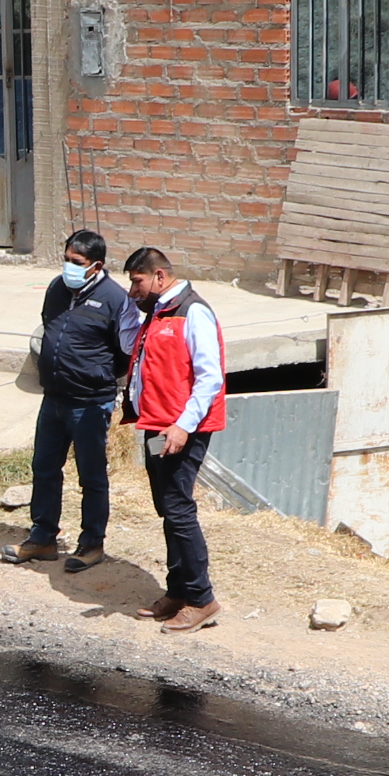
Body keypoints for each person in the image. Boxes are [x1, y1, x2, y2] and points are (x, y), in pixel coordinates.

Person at [123, 247, 228, 633]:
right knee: (167, 508)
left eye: (138, 281)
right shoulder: (156, 312)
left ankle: (202, 599)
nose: (133, 289)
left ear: (160, 277)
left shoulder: (192, 312)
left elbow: (209, 377)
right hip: (157, 426)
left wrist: (183, 426)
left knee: (179, 508)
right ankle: (178, 590)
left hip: (183, 429)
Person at [18, 230, 129, 570]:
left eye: (76, 263)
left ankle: (92, 543)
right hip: (54, 399)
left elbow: (124, 353)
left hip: (90, 403)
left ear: (96, 266)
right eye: (66, 260)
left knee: (91, 475)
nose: (69, 268)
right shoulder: (57, 288)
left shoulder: (114, 299)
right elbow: (48, 326)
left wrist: (95, 375)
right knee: (44, 467)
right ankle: (43, 537)